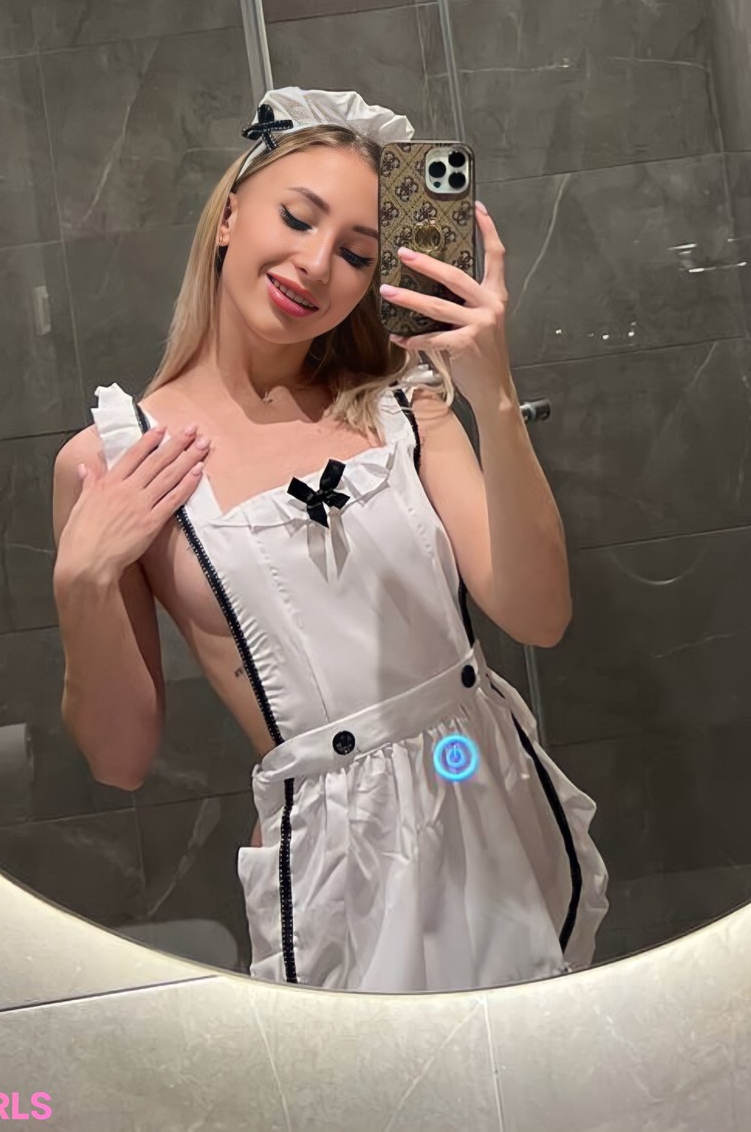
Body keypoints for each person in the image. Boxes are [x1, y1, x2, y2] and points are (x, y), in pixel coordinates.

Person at [52, 86, 608, 993]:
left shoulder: (406, 403)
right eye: (297, 217)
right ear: (229, 215)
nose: (315, 265)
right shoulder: (118, 460)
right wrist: (81, 582)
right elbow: (119, 760)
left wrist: (495, 397)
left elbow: (539, 615)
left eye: (355, 252)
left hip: (482, 786)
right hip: (337, 859)